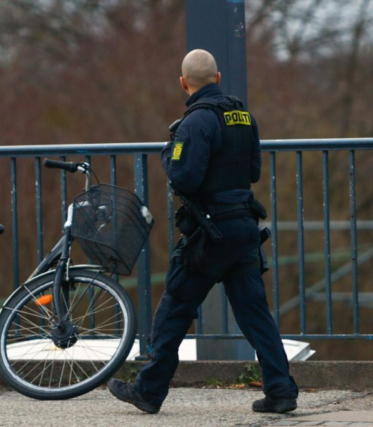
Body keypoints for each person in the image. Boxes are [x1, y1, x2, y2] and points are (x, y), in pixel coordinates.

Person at [108, 49, 299, 414]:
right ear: (218, 77)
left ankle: (148, 390)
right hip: (243, 227)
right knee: (255, 314)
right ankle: (281, 390)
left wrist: (170, 153)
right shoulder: (243, 116)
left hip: (211, 235)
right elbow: (254, 171)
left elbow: (184, 177)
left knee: (175, 307)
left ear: (183, 82)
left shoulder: (195, 122)